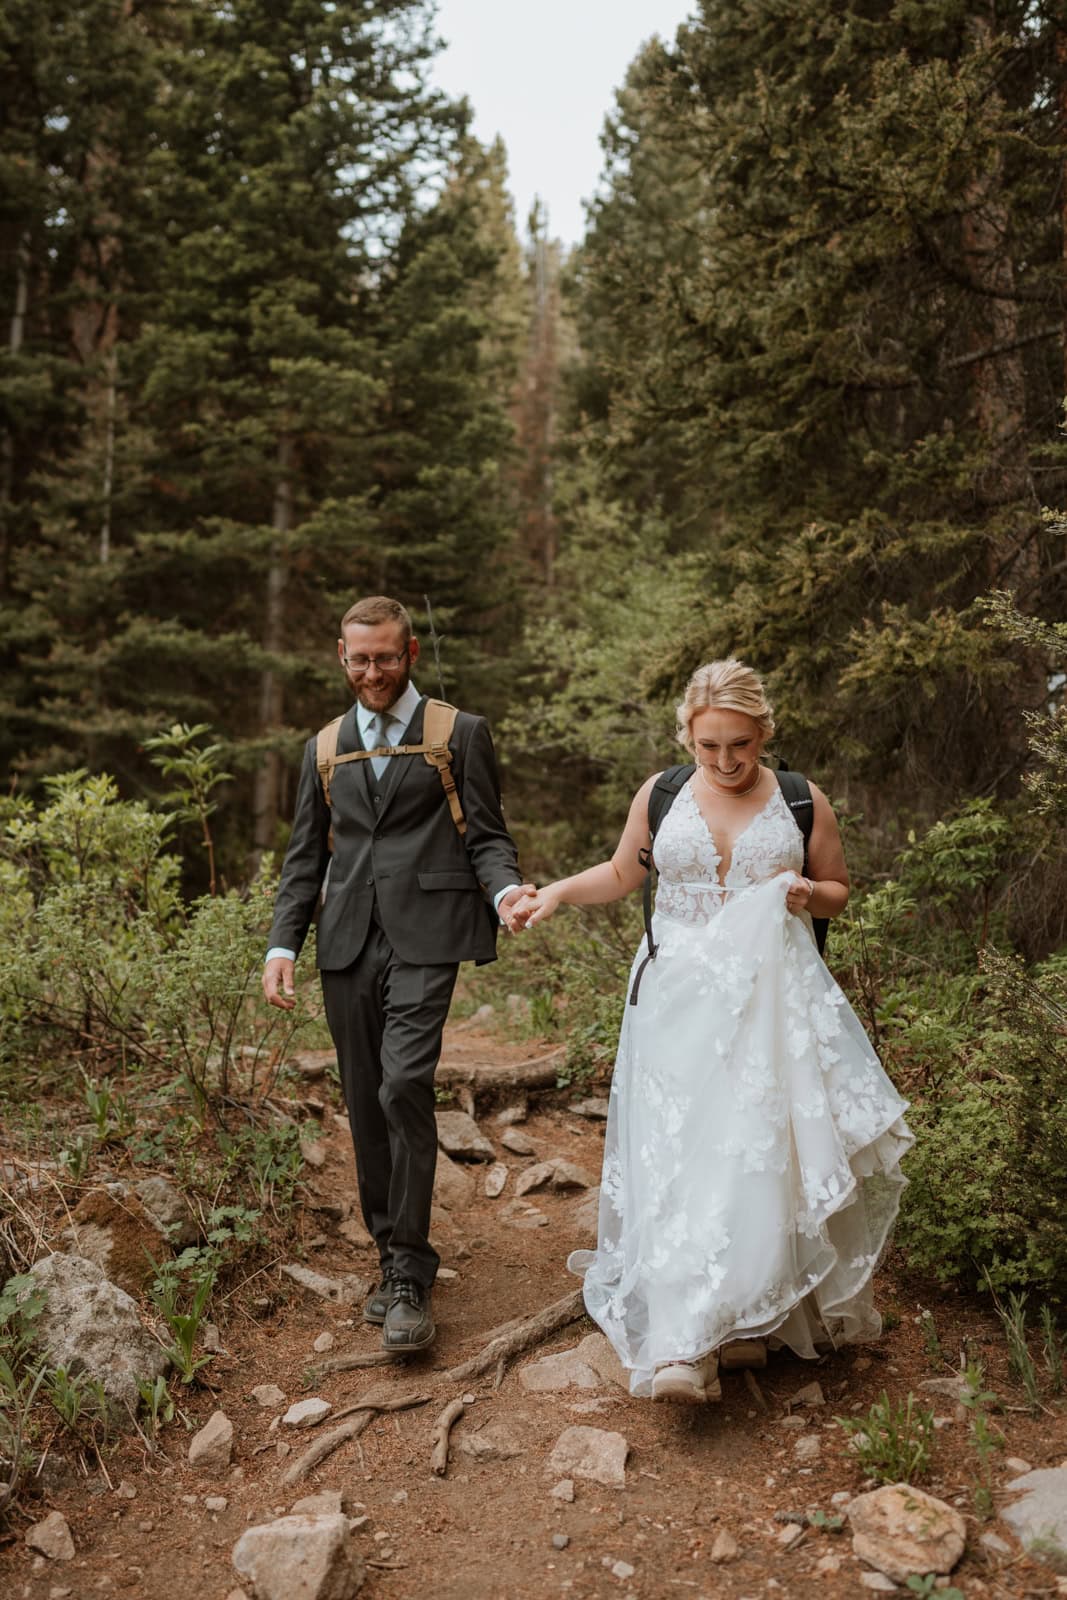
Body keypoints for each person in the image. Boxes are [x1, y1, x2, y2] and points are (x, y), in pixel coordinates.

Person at [519, 659, 912, 1403]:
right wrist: (558, 895)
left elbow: (837, 893)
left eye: (740, 745)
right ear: (687, 739)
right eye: (709, 747)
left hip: (769, 1003)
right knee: (676, 1156)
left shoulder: (799, 799)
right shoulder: (662, 793)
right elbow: (620, 873)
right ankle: (682, 1344)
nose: (726, 762)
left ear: (763, 732)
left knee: (755, 1156)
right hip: (675, 1001)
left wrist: (802, 893)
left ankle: (743, 1320)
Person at [263, 596, 530, 1353]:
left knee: (403, 1084)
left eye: (384, 657)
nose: (371, 671)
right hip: (344, 941)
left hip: (428, 933)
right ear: (341, 657)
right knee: (363, 1101)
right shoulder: (323, 747)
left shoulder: (458, 733)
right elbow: (303, 859)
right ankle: (390, 1258)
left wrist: (506, 891)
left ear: (409, 653)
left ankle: (411, 1274)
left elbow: (486, 835)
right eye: (358, 659)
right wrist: (281, 946)